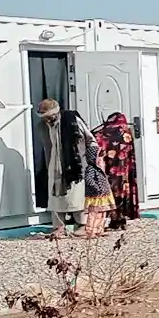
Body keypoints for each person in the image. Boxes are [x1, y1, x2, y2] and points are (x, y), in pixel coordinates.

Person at [35, 99, 108, 238]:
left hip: (75, 164)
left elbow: (90, 139)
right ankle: (59, 227)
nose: (47, 119)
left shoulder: (72, 120)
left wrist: (92, 158)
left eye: (49, 116)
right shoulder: (43, 126)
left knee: (76, 196)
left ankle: (81, 225)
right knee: (55, 194)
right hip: (54, 164)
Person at [93, 111, 142, 229]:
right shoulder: (126, 132)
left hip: (110, 169)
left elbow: (97, 142)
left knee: (111, 191)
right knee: (123, 192)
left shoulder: (104, 133)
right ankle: (121, 219)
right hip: (125, 169)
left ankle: (113, 219)